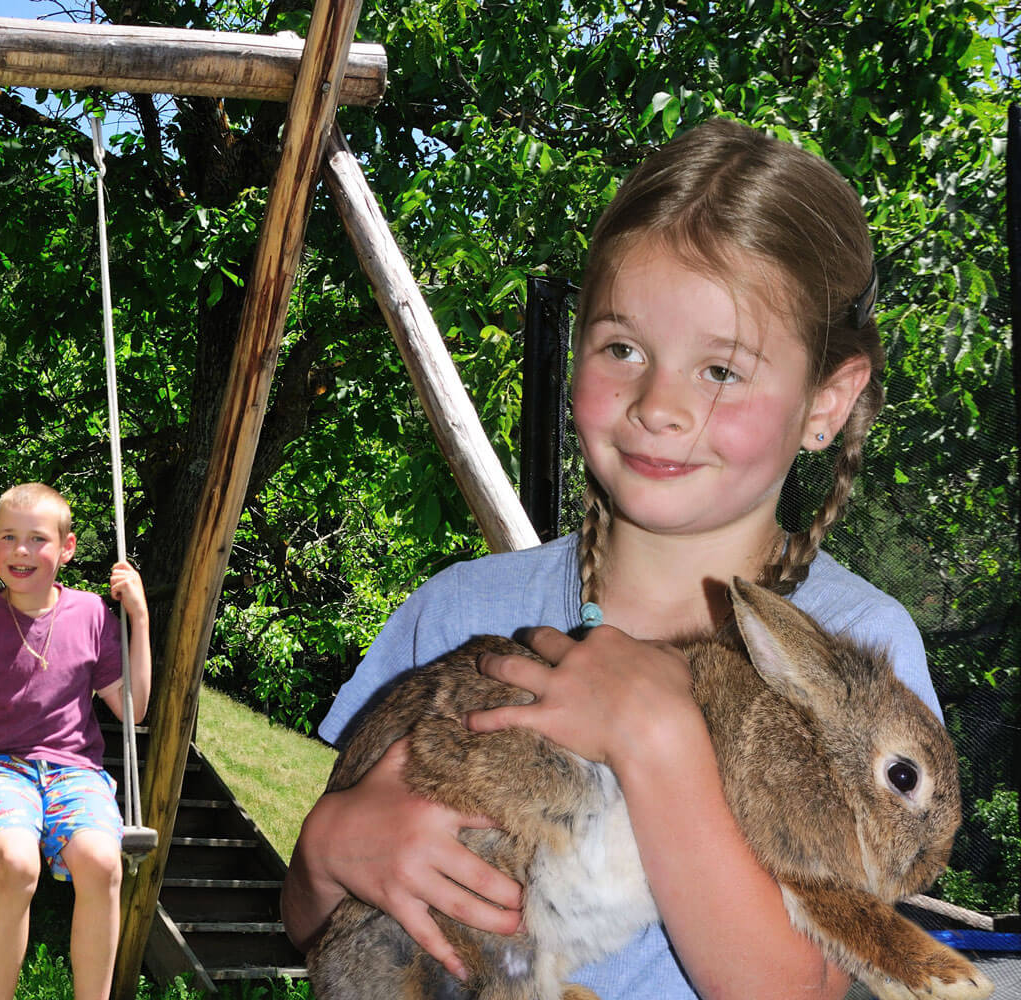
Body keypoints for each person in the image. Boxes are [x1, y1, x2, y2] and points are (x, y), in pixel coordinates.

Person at [281, 118, 944, 999]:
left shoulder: (863, 650)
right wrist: (330, 853)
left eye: (723, 369)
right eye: (623, 348)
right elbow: (311, 924)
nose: (660, 404)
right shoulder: (459, 610)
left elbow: (801, 987)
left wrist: (660, 740)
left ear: (828, 402)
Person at [0, 482, 152, 1000]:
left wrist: (140, 620)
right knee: (16, 862)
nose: (20, 550)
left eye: (37, 539)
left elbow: (132, 709)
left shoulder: (91, 616)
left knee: (104, 862)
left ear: (66, 548)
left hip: (75, 772)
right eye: (8, 538)